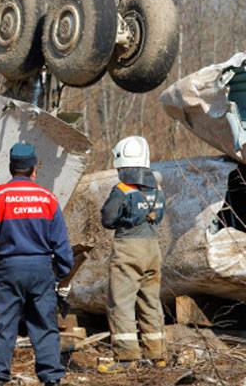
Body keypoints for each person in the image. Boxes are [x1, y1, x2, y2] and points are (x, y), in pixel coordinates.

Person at [0, 142, 73, 386]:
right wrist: (61, 272)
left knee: (4, 326)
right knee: (45, 326)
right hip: (41, 268)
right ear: (33, 170)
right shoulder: (47, 199)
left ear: (11, 168)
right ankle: (51, 379)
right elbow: (61, 242)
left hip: (8, 269)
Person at [98, 136, 166, 374]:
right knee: (150, 300)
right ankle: (157, 354)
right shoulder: (156, 188)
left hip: (129, 247)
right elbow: (158, 217)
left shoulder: (122, 189)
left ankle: (126, 357)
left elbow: (108, 219)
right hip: (152, 248)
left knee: (121, 302)